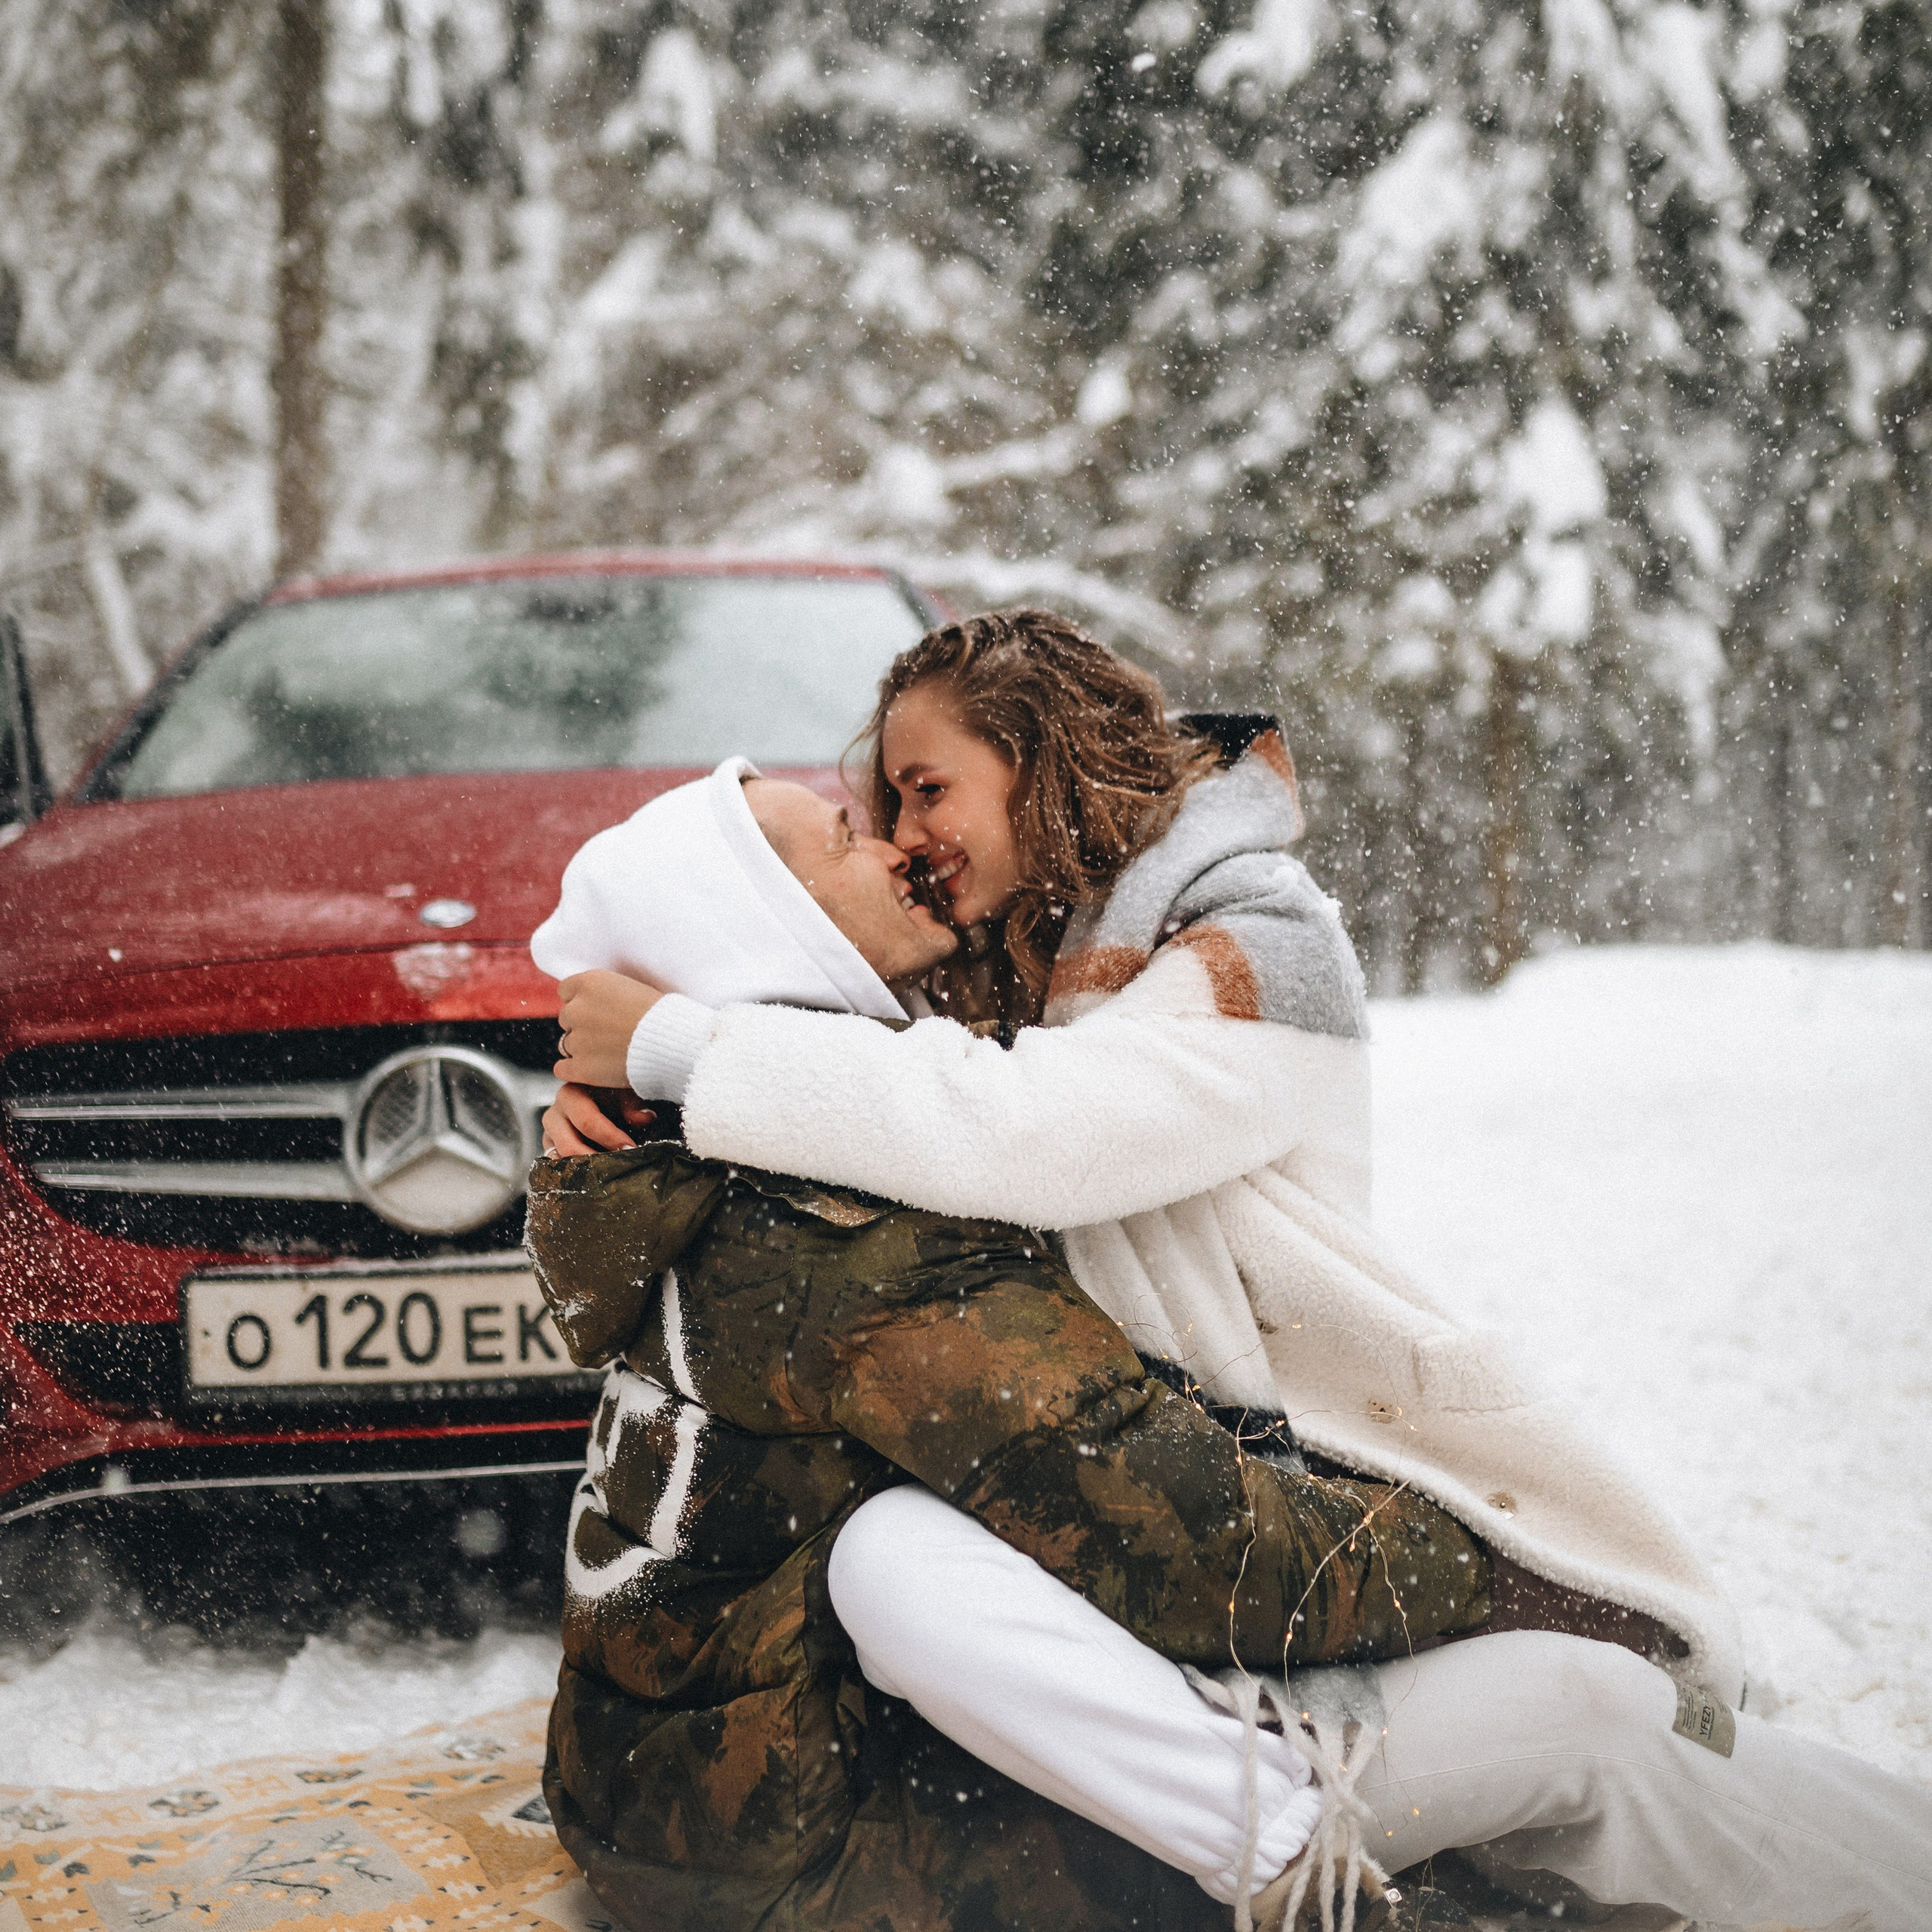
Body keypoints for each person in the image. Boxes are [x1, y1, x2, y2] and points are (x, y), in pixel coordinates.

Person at [543, 611, 1932, 1930]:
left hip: (1322, 1461)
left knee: (1620, 1748)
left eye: (924, 790)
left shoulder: (1257, 946)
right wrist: (624, 1101)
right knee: (1588, 1752)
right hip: (1169, 1524)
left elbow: (1031, 1128)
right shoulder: (1006, 973)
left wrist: (678, 1047)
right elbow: (862, 1036)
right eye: (879, 811)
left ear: (1040, 763)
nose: (906, 840)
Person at [524, 754, 1500, 1932]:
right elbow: (1201, 1555)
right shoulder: (845, 1230)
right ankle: (1324, 1887)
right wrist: (1468, 1549)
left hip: (639, 1792)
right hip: (799, 1840)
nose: (895, 848)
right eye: (847, 839)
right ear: (768, 933)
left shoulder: (665, 1153)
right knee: (1446, 1849)